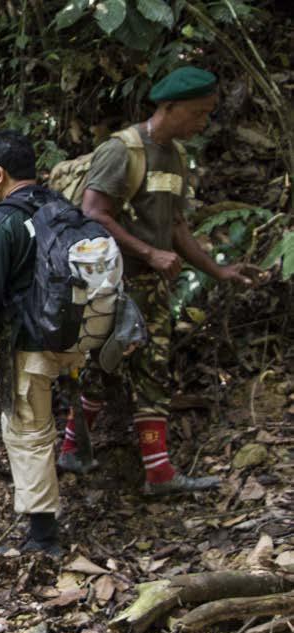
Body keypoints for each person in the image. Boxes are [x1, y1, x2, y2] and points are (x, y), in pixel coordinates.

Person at [59, 66, 262, 495]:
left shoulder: (176, 157)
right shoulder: (124, 151)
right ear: (168, 107)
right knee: (122, 368)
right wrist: (148, 252)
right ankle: (116, 462)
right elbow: (93, 213)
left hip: (151, 290)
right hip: (114, 286)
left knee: (133, 368)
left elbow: (177, 227)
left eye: (207, 114)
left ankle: (120, 461)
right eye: (197, 113)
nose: (202, 123)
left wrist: (220, 271)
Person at [0, 130, 82, 557]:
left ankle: (43, 537)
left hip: (32, 340)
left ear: (0, 173)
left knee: (27, 430)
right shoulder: (61, 206)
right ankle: (81, 454)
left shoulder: (0, 221)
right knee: (59, 407)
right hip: (80, 333)